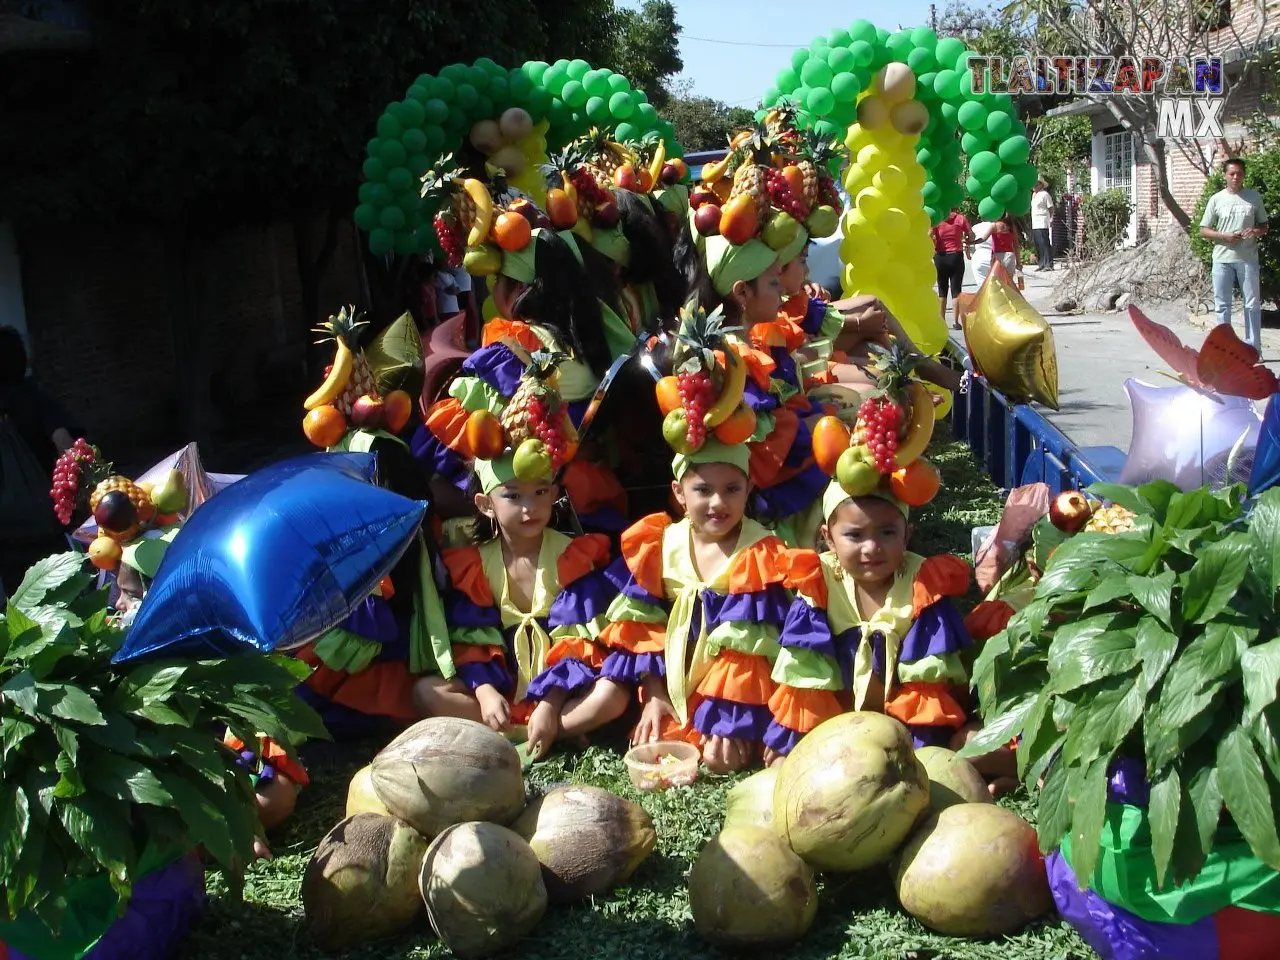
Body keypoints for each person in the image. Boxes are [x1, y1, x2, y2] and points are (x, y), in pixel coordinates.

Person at [413, 443, 630, 761]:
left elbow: (577, 644)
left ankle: (536, 727)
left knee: (613, 695)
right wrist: (485, 693)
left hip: (563, 689)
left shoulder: (573, 555)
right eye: (513, 496)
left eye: (541, 493)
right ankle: (534, 730)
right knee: (425, 692)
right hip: (502, 687)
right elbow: (471, 641)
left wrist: (550, 703)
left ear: (555, 492)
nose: (530, 507)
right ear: (486, 504)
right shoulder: (474, 564)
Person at [602, 441, 793, 773]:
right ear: (679, 492)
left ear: (748, 489)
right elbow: (644, 633)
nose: (718, 502)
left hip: (735, 689)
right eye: (703, 490)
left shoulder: (759, 551)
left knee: (722, 759)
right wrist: (654, 694)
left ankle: (732, 731)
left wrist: (729, 717)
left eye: (731, 489)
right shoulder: (659, 544)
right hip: (672, 683)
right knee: (653, 747)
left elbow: (749, 652)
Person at [0, 326, 80, 597]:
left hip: (6, 533)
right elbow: (66, 446)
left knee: (20, 603)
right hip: (47, 523)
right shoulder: (36, 398)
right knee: (61, 596)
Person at [1199, 157, 1270, 348]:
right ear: (1225, 175)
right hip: (1222, 259)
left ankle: (1254, 349)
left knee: (1252, 305)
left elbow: (1264, 226)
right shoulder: (1216, 199)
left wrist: (1255, 231)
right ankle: (1224, 350)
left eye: (1239, 173)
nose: (1236, 177)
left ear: (1244, 175)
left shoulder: (1254, 197)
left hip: (1248, 259)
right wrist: (1224, 236)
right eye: (1232, 173)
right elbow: (1203, 229)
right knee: (1222, 306)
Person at [931, 208, 974, 327]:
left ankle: (942, 320)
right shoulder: (960, 219)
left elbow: (929, 235)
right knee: (956, 290)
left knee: (942, 289)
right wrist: (968, 238)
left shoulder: (937, 220)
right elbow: (971, 236)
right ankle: (955, 322)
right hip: (956, 256)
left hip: (940, 256)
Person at [1031, 180, 1055, 272]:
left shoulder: (1045, 194)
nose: (1034, 186)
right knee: (1038, 244)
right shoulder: (1034, 195)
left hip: (1042, 221)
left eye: (1036, 184)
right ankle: (1041, 263)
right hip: (1035, 222)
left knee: (1045, 243)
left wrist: (1051, 218)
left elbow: (1051, 207)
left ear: (1040, 185)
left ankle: (1049, 264)